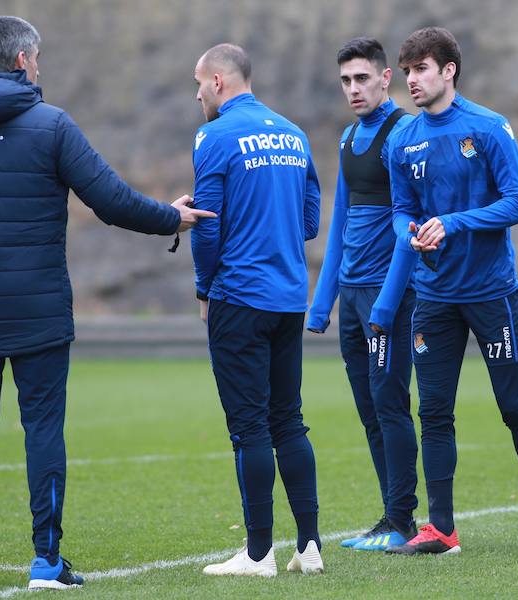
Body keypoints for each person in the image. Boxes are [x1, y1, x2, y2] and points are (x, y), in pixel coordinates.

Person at [0, 16, 214, 590]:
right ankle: (46, 562)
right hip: (40, 313)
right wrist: (170, 218)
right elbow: (111, 200)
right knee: (42, 429)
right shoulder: (51, 126)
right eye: (39, 57)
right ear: (24, 61)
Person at [369, 27, 518, 555]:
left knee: (515, 406)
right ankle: (442, 529)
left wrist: (452, 223)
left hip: (490, 293)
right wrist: (409, 233)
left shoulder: (489, 128)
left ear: (449, 71)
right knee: (433, 412)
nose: (411, 80)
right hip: (433, 296)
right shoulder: (401, 140)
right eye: (407, 71)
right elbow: (402, 211)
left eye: (421, 69)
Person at [190, 43, 323, 577]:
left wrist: (204, 287)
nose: (196, 93)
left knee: (249, 427)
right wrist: (274, 229)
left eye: (198, 83)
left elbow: (206, 225)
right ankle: (309, 547)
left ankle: (258, 553)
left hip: (239, 298)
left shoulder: (214, 135)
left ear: (219, 82)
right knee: (288, 419)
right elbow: (310, 219)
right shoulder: (293, 133)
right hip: (290, 296)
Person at [306, 37, 418, 551]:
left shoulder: (404, 134)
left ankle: (403, 523)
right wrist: (320, 304)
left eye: (362, 79)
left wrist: (387, 304)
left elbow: (410, 228)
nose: (353, 89)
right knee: (370, 409)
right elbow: (341, 225)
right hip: (351, 298)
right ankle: (389, 518)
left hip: (384, 298)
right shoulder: (350, 139)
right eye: (346, 80)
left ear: (384, 78)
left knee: (390, 404)